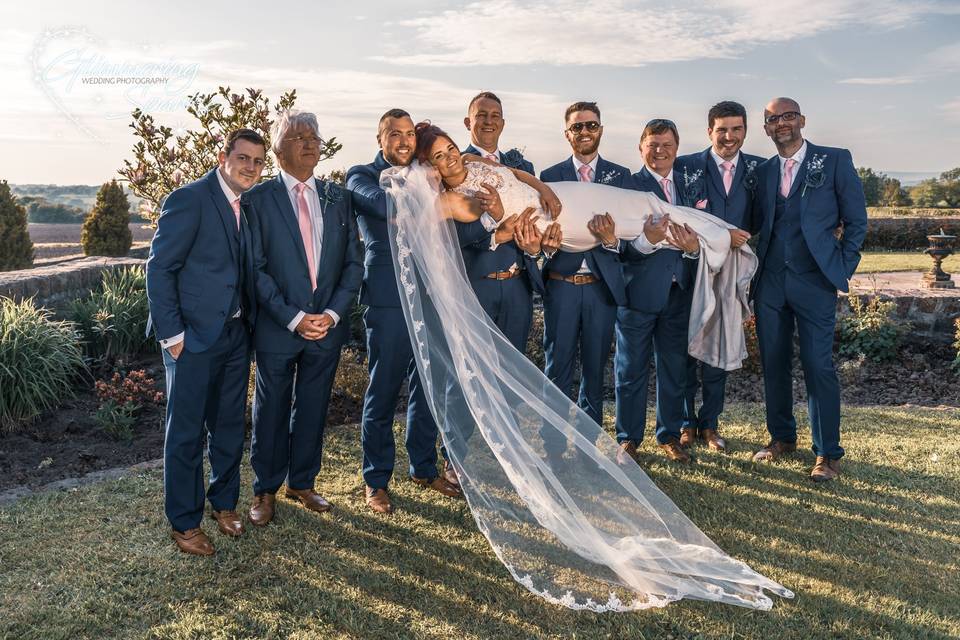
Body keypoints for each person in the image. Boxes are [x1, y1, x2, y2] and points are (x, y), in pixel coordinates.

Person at [375, 123, 791, 612]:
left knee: (643, 211)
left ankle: (718, 237)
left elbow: (513, 174)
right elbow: (470, 218)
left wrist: (542, 189)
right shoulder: (451, 195)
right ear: (427, 166)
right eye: (439, 157)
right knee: (541, 361)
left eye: (450, 150)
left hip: (565, 213)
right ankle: (724, 239)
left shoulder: (488, 165)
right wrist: (501, 226)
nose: (450, 159)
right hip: (549, 252)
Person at [146, 128, 265, 556]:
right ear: (223, 157)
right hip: (191, 339)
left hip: (235, 334)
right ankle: (184, 522)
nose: (250, 167)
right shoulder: (190, 199)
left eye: (257, 161)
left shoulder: (247, 205)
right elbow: (159, 269)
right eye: (243, 158)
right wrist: (173, 337)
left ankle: (224, 502)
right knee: (186, 432)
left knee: (230, 425)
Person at [244, 110, 363, 525]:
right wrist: (294, 317)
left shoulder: (338, 197)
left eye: (315, 136)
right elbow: (254, 269)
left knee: (314, 406)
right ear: (278, 150)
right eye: (299, 138)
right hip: (279, 327)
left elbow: (354, 264)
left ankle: (303, 482)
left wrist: (330, 314)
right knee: (271, 408)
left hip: (326, 329)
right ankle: (265, 490)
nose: (311, 143)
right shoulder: (257, 200)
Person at [345, 109, 462, 515]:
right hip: (388, 297)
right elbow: (381, 205)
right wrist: (434, 192)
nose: (404, 141)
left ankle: (423, 467)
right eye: (395, 134)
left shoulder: (425, 172)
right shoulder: (361, 175)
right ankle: (375, 480)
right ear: (380, 139)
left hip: (431, 293)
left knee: (428, 384)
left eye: (410, 134)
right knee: (383, 388)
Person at [751, 97, 867, 482]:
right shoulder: (763, 171)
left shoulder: (834, 160)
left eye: (787, 116)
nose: (781, 123)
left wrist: (841, 267)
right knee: (774, 363)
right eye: (772, 119)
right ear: (766, 127)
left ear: (801, 120)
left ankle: (827, 454)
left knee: (819, 366)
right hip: (769, 282)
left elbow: (857, 222)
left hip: (815, 281)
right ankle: (782, 437)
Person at [538, 101, 630, 458]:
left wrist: (612, 240)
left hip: (600, 291)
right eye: (577, 127)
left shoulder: (622, 177)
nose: (584, 132)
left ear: (601, 130)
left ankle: (590, 447)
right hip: (560, 285)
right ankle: (553, 444)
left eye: (591, 125)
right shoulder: (549, 176)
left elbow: (633, 236)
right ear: (567, 134)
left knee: (595, 369)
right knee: (556, 369)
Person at [675, 101, 763, 453]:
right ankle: (684, 423)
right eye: (722, 129)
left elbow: (765, 219)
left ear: (745, 130)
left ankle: (710, 423)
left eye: (736, 129)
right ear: (709, 130)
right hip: (689, 270)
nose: (729, 136)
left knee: (719, 347)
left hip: (732, 274)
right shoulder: (685, 167)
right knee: (685, 348)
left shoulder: (760, 169)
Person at [616, 119, 702, 465]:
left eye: (667, 145)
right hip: (637, 293)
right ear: (641, 148)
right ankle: (628, 439)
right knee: (630, 370)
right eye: (653, 145)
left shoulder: (689, 187)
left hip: (679, 292)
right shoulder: (627, 187)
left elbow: (702, 236)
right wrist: (646, 242)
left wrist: (693, 249)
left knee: (674, 369)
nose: (660, 152)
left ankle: (668, 435)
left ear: (676, 149)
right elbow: (619, 248)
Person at [456, 91, 543, 352]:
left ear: (503, 123)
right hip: (475, 285)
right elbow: (451, 230)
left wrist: (535, 247)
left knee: (514, 370)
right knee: (475, 372)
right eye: (480, 115)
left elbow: (535, 218)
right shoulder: (456, 166)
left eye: (495, 116)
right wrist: (496, 236)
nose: (488, 121)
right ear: (467, 122)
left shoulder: (524, 167)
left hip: (518, 286)